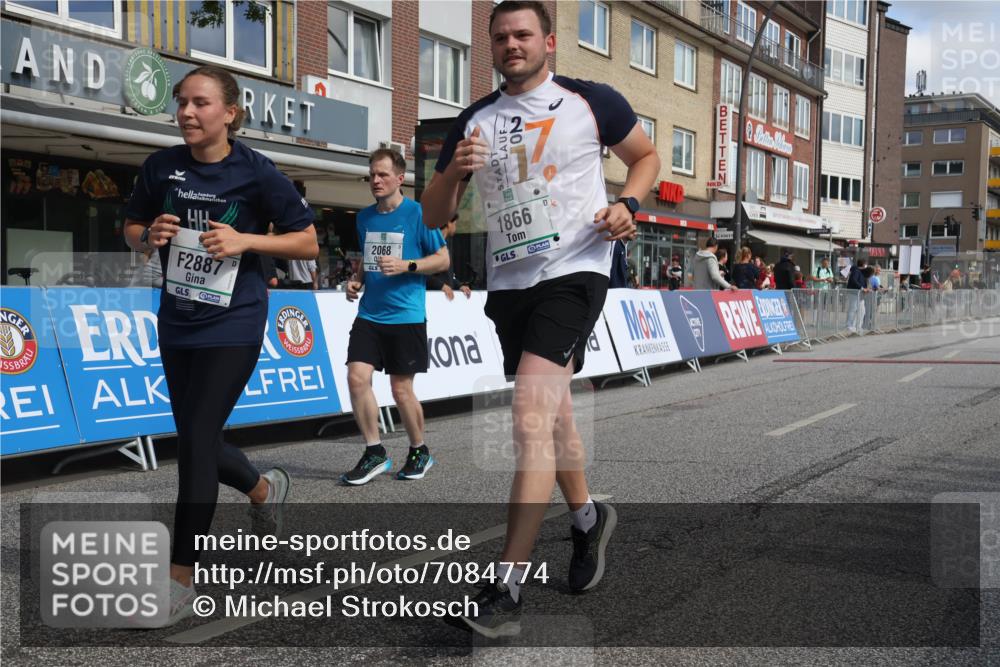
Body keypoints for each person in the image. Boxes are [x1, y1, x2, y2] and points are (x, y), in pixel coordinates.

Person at [420, 0, 660, 637]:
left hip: (577, 271)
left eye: (522, 34)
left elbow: (647, 159)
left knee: (529, 410)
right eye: (500, 36)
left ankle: (507, 585)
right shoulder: (475, 120)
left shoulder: (590, 102)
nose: (511, 44)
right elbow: (431, 211)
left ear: (549, 41)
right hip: (511, 283)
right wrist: (455, 176)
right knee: (551, 415)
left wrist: (628, 205)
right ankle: (586, 518)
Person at [123, 65, 318, 625]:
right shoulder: (160, 167)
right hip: (178, 317)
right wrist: (148, 237)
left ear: (229, 113)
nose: (186, 112)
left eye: (200, 103)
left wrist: (246, 239)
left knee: (196, 442)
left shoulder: (256, 172)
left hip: (235, 320)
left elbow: (305, 241)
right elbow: (132, 226)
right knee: (196, 436)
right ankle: (262, 488)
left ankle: (180, 575)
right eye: (181, 102)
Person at [341, 148, 449, 485]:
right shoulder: (364, 218)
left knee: (401, 390)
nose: (375, 180)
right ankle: (375, 451)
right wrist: (357, 279)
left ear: (400, 178)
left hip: (406, 314)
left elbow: (443, 259)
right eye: (372, 174)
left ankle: (420, 449)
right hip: (370, 314)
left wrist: (407, 266)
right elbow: (367, 259)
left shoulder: (418, 213)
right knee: (357, 377)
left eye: (383, 174)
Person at [426, 213, 473, 300]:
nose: (455, 227)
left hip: (445, 300)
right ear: (448, 223)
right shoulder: (431, 244)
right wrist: (442, 286)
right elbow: (422, 274)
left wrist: (459, 286)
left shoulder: (444, 245)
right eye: (455, 224)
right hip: (433, 300)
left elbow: (447, 277)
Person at [845, 258, 869, 333]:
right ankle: (849, 326)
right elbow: (853, 280)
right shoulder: (856, 270)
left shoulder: (861, 272)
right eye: (866, 264)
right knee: (853, 309)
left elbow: (863, 282)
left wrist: (866, 289)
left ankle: (858, 326)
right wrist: (862, 288)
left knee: (862, 311)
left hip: (859, 294)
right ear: (864, 265)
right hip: (854, 293)